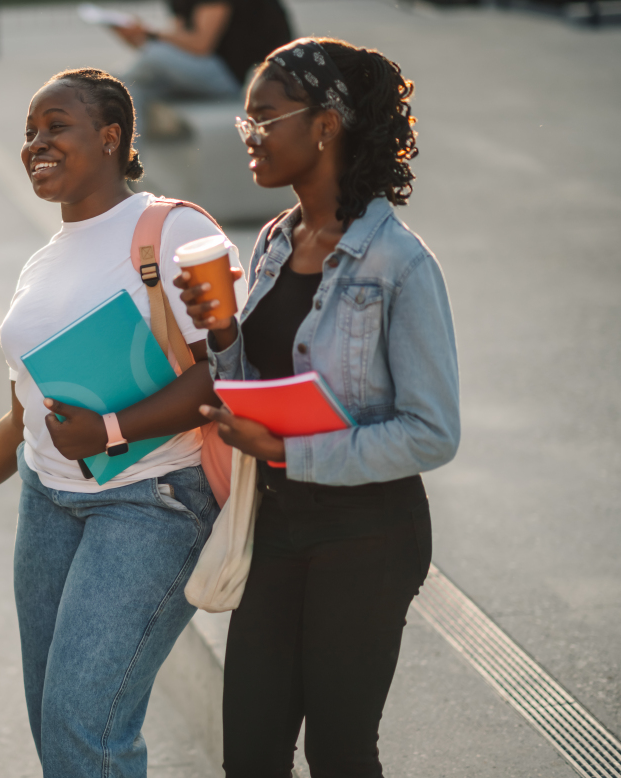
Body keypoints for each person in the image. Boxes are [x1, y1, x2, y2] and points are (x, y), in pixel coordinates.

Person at [175, 38, 459, 777]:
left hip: (368, 534)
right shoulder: (275, 240)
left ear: (326, 123)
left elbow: (433, 433)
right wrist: (220, 331)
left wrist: (287, 452)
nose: (250, 138)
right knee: (252, 754)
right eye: (245, 123)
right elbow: (251, 382)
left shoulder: (400, 264)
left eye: (263, 119)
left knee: (339, 750)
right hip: (276, 525)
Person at [0, 67, 243, 778]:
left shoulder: (173, 228)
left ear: (110, 136)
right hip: (50, 505)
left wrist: (111, 430)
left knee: (87, 725)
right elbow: (28, 418)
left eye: (56, 126)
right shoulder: (41, 265)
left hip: (152, 502)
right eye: (29, 132)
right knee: (54, 721)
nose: (35, 143)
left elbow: (231, 371)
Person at [113, 0, 293, 134]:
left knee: (152, 56)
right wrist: (136, 38)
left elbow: (201, 44)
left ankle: (109, 86)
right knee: (132, 88)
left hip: (238, 79)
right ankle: (125, 168)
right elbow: (178, 45)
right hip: (205, 73)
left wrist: (149, 33)